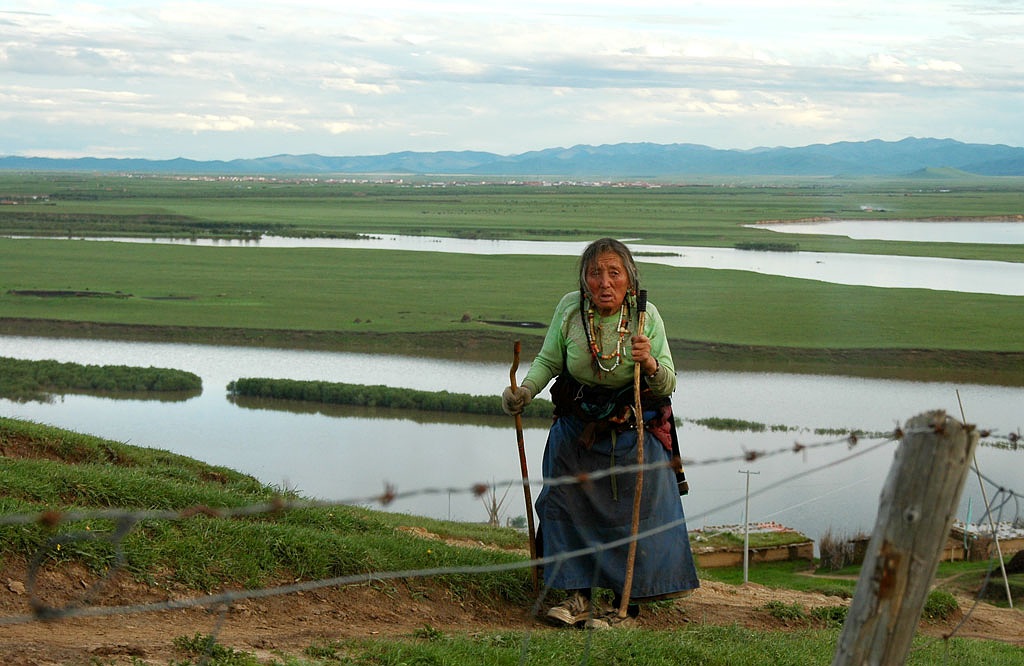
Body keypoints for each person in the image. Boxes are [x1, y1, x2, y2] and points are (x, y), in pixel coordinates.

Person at [502, 237, 699, 630]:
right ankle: (577, 596)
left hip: (633, 433)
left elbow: (668, 383)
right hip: (578, 432)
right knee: (564, 502)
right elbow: (548, 360)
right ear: (584, 280)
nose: (604, 282)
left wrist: (652, 364)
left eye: (614, 273)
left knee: (634, 516)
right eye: (595, 273)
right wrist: (524, 390)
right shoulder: (570, 310)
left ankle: (625, 605)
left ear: (630, 279)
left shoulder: (646, 318)